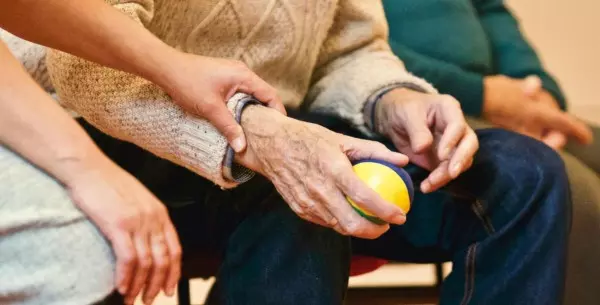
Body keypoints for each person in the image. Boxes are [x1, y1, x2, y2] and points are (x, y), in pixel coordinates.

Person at [41, 1, 572, 304]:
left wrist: (396, 101)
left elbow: (349, 50)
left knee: (525, 176)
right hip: (115, 132)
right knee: (303, 188)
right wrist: (262, 136)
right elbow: (82, 64)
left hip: (294, 128)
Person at [0, 0, 285, 304]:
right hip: (62, 111)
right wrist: (89, 169)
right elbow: (72, 64)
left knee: (290, 196)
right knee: (76, 260)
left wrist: (173, 67)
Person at [382, 0, 600, 303]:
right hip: (413, 108)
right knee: (564, 182)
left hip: (500, 103)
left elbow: (491, 10)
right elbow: (356, 50)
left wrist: (538, 93)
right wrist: (483, 95)